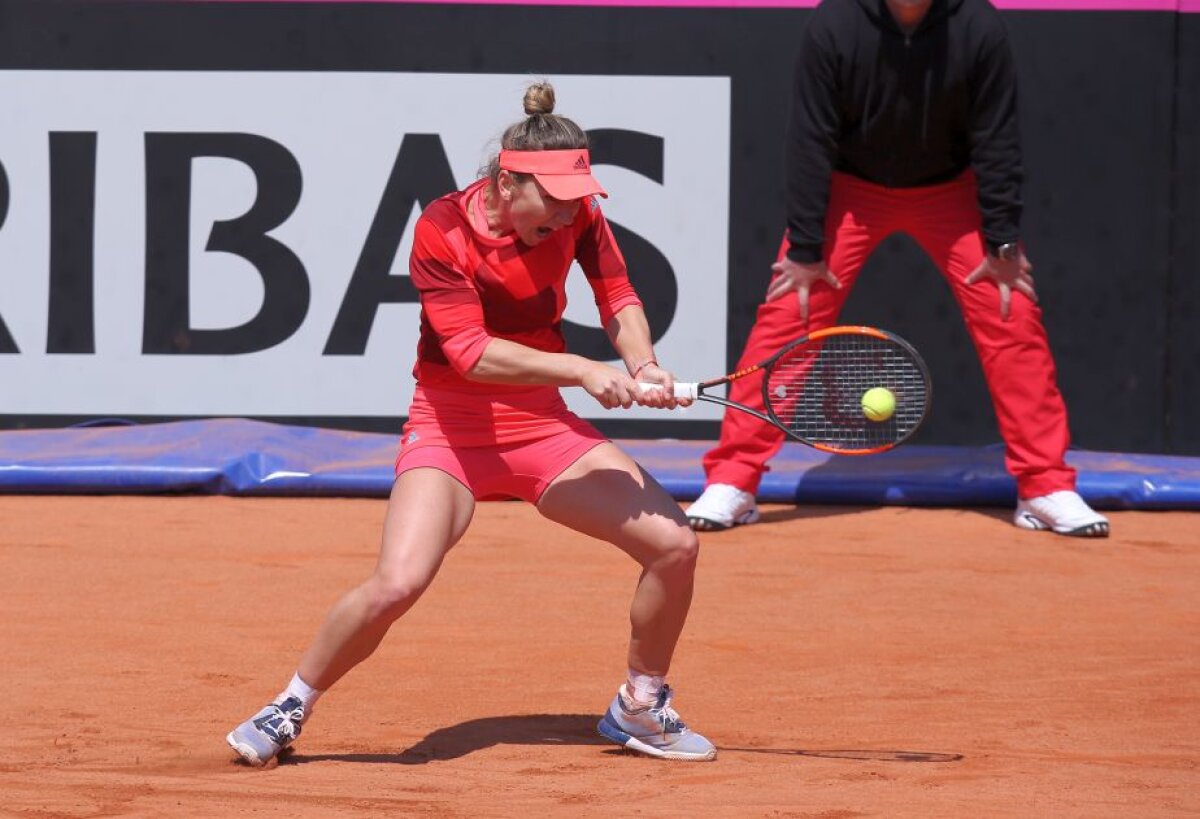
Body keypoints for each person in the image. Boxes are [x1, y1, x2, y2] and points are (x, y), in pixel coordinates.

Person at [226, 82, 717, 766]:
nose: (567, 213)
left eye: (576, 199)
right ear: (507, 182)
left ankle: (640, 702)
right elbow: (470, 352)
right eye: (553, 199)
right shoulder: (442, 228)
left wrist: (644, 363)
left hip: (541, 427)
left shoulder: (576, 215)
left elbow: (617, 294)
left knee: (674, 546)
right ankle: (289, 704)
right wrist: (582, 368)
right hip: (450, 427)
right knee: (398, 581)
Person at [685, 0, 1109, 538]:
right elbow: (811, 137)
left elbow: (996, 137)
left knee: (1011, 312)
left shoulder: (979, 27)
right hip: (851, 190)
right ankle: (734, 480)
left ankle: (1044, 485)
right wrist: (807, 246)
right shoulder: (834, 24)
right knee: (791, 310)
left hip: (951, 192)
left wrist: (1002, 239)